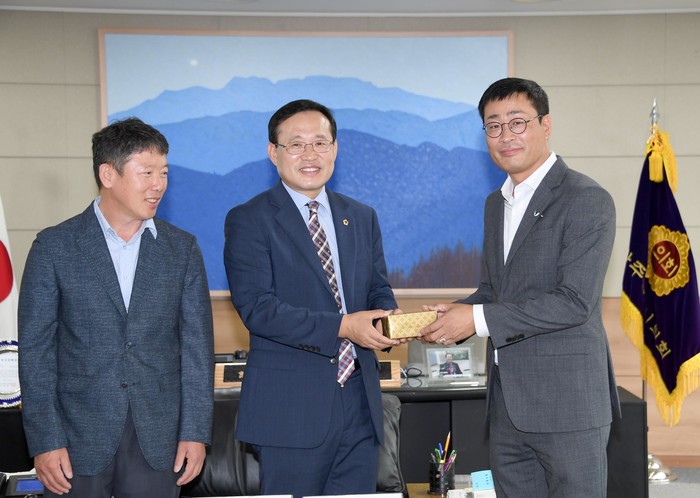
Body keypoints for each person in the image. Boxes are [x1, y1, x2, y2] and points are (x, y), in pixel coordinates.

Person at [420, 78, 620, 497]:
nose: (505, 135)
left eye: (517, 122)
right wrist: (448, 315)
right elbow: (495, 290)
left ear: (545, 125)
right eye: (493, 126)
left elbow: (574, 302)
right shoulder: (496, 203)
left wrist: (475, 319)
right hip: (507, 407)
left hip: (569, 405)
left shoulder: (586, 198)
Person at [18, 117, 214, 498]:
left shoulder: (182, 249)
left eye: (164, 173)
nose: (159, 184)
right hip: (75, 440)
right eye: (147, 173)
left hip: (158, 439)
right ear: (108, 174)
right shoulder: (54, 248)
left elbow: (197, 350)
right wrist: (45, 440)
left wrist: (195, 433)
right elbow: (36, 352)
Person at [223, 99, 401, 498]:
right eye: (297, 144)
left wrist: (389, 321)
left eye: (320, 143)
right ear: (274, 152)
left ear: (335, 149)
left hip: (360, 403)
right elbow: (258, 308)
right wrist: (344, 326)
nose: (310, 155)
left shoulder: (361, 216)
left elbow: (376, 286)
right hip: (290, 409)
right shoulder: (249, 219)